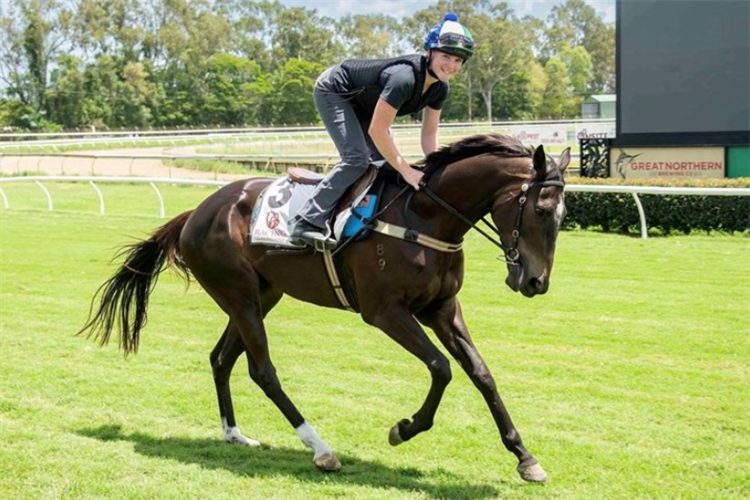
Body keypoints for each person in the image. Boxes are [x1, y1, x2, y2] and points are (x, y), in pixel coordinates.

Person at [290, 12, 475, 249]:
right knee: (356, 159)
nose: (451, 65)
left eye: (459, 60)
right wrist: (408, 171)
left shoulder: (441, 88)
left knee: (384, 167)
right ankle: (305, 220)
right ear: (430, 52)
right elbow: (378, 131)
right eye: (446, 56)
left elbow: (429, 135)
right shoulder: (404, 79)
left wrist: (435, 169)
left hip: (365, 102)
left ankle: (360, 221)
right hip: (335, 90)